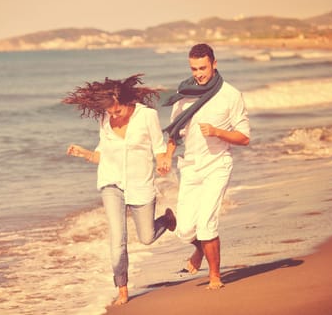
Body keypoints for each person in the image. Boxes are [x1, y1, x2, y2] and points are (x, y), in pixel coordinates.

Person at [62, 74, 177, 305]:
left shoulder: (147, 116)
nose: (114, 116)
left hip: (140, 183)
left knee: (146, 237)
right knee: (117, 239)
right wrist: (84, 153)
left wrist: (164, 160)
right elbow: (101, 156)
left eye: (118, 111)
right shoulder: (105, 119)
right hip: (111, 183)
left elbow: (158, 148)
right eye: (111, 113)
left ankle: (166, 220)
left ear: (127, 102)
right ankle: (122, 289)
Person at [162, 43, 250, 290]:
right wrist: (167, 155)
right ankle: (200, 251)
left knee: (207, 223)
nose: (198, 73)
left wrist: (218, 132)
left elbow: (244, 137)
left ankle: (215, 276)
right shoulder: (184, 93)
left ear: (214, 64)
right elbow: (174, 133)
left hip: (217, 165)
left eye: (203, 68)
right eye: (194, 68)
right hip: (190, 167)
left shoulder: (231, 95)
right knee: (185, 230)